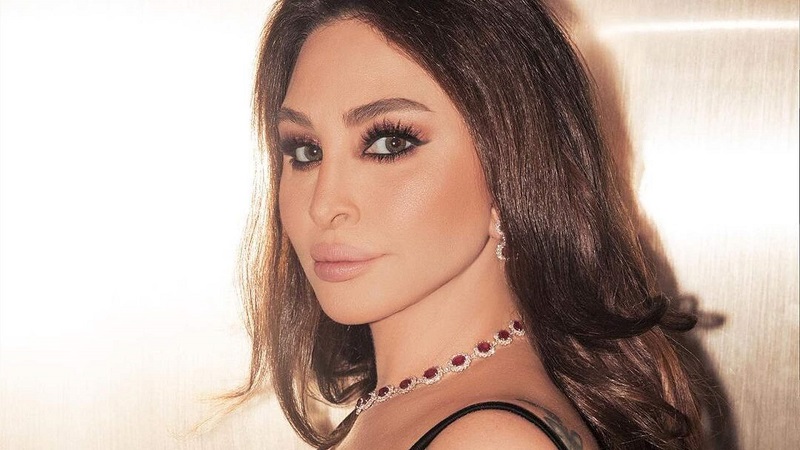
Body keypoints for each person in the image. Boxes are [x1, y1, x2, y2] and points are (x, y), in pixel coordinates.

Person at [231, 0, 702, 448]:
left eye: (390, 143)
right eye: (305, 150)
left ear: (512, 172)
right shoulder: (415, 406)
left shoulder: (494, 440)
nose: (323, 204)